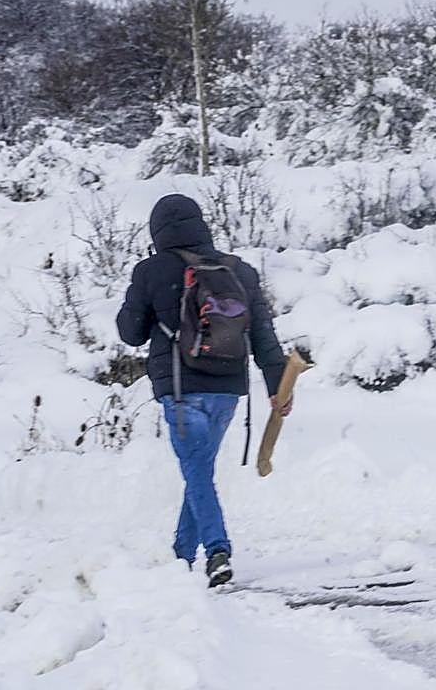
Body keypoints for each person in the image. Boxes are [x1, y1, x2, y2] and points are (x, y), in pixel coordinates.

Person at [116, 194, 289, 587]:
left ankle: (217, 550)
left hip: (180, 387)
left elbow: (130, 333)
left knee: (196, 472)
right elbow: (263, 334)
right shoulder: (238, 270)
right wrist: (278, 386)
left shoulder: (152, 269)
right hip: (227, 390)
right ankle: (180, 557)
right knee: (199, 471)